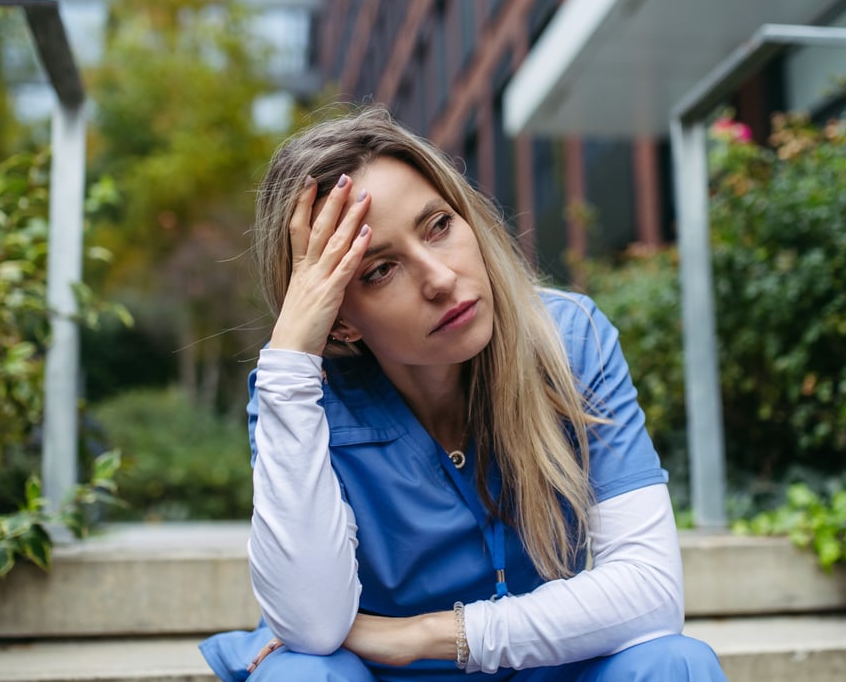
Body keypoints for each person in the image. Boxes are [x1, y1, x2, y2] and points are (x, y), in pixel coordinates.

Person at [198, 107, 727, 681]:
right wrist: (292, 359)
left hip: (543, 667)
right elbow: (314, 629)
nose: (441, 279)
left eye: (439, 226)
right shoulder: (301, 397)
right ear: (338, 320)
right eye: (379, 270)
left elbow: (651, 591)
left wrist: (429, 634)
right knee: (299, 676)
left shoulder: (568, 339)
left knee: (676, 664)